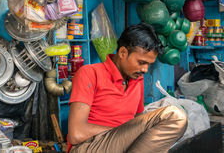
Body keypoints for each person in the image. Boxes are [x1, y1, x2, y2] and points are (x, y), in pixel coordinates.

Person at [67, 23, 188, 153]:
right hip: (89, 147)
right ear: (123, 52)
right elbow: (76, 133)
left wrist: (133, 134)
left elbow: (136, 123)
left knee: (173, 128)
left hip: (121, 146)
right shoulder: (90, 73)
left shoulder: (137, 80)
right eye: (141, 62)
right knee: (175, 116)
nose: (145, 69)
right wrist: (127, 133)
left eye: (149, 64)